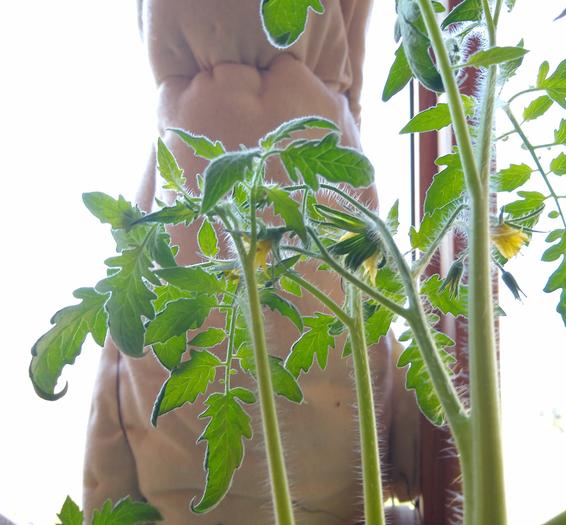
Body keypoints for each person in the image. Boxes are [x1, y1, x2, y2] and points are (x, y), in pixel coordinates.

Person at [83, 1, 420, 523]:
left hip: (188, 501)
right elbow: (376, 323)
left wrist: (101, 500)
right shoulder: (329, 125)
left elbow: (118, 349)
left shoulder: (178, 137)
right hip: (344, 496)